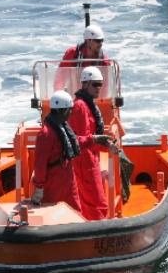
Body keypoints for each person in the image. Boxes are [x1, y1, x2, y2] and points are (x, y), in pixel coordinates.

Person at [68, 66, 114, 220]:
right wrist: (96, 141)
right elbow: (79, 139)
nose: (99, 88)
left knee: (93, 202)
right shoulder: (80, 106)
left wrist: (105, 144)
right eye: (95, 84)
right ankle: (99, 232)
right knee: (97, 204)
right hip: (85, 162)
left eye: (100, 84)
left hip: (90, 158)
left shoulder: (88, 104)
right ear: (85, 84)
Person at [31, 90, 82, 210]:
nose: (70, 113)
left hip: (68, 181)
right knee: (54, 214)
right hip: (53, 185)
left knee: (75, 212)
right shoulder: (46, 134)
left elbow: (75, 142)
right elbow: (40, 165)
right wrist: (39, 188)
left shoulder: (63, 127)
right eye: (69, 110)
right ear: (61, 111)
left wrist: (93, 139)